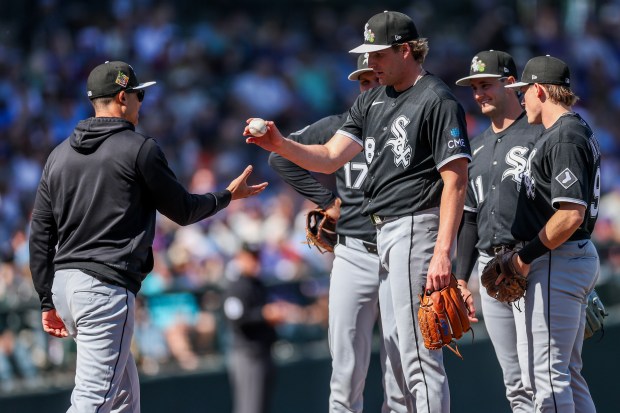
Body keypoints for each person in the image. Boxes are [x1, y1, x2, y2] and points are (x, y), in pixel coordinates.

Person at [246, 11, 473, 412]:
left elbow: (455, 180)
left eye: (378, 54)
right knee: (398, 356)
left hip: (414, 224)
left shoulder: (435, 99)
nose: (371, 63)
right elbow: (330, 157)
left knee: (417, 359)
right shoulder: (372, 100)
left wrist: (443, 251)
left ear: (406, 50)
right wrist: (281, 144)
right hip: (381, 233)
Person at [28, 60, 267, 413]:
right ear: (122, 97)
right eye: (139, 95)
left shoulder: (58, 156)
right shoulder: (138, 148)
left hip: (66, 286)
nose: (142, 102)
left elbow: (41, 234)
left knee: (123, 400)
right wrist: (227, 196)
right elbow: (184, 210)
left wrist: (47, 299)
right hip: (103, 288)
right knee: (93, 401)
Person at [269, 54, 408, 412]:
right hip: (353, 250)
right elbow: (280, 157)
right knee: (345, 367)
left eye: (375, 78)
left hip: (403, 249)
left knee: (401, 365)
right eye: (363, 81)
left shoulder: (408, 124)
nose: (369, 86)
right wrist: (327, 200)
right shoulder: (340, 125)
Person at [504, 55, 600, 412]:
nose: (521, 99)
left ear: (540, 90)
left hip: (557, 258)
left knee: (548, 378)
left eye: (524, 92)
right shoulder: (568, 130)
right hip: (566, 257)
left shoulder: (565, 135)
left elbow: (570, 215)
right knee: (568, 376)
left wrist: (522, 257)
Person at [453, 50, 543, 412]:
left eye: (485, 85)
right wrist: (461, 277)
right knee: (515, 383)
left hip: (532, 260)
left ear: (510, 84)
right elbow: (471, 219)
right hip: (490, 269)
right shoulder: (476, 146)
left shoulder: (539, 134)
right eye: (474, 87)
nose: (479, 94)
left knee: (544, 375)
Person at [223, 242, 301, 413]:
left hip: (263, 350)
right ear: (240, 258)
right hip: (248, 354)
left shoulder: (256, 283)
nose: (254, 261)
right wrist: (264, 314)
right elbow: (236, 318)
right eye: (250, 257)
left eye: (256, 257)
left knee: (260, 406)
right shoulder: (237, 285)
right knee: (250, 408)